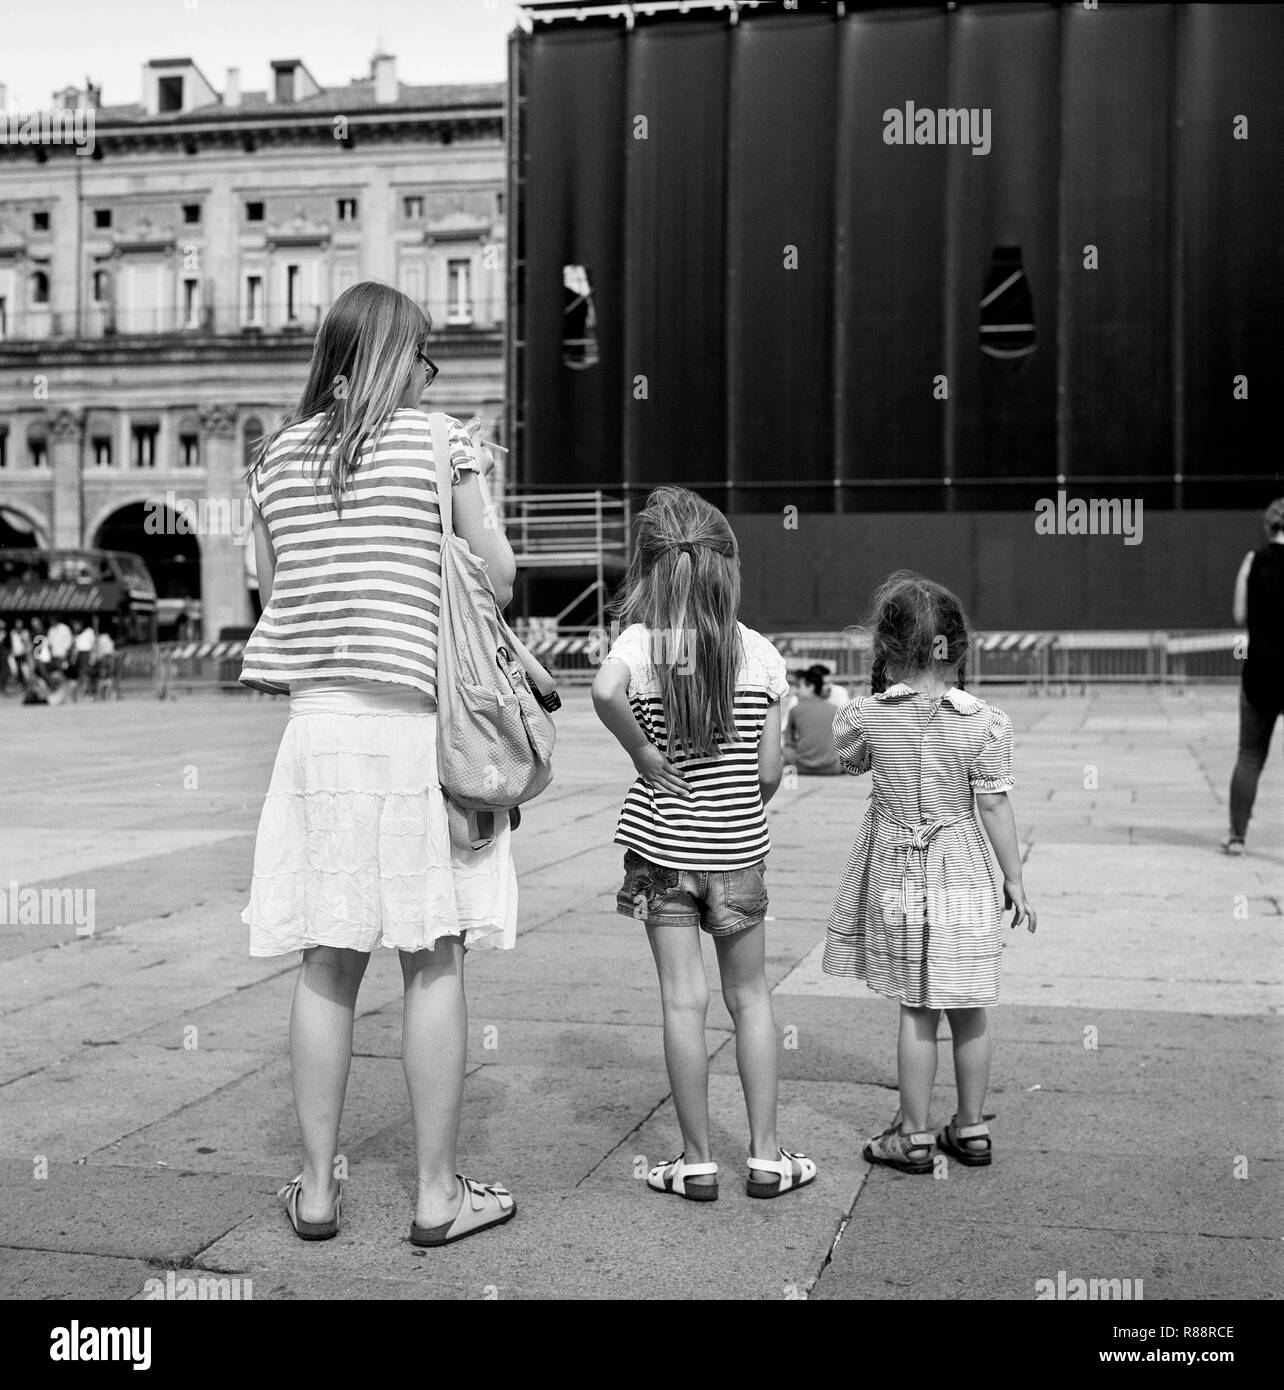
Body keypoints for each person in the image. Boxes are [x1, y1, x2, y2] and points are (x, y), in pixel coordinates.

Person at [238, 280, 519, 1247]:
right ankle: (437, 1197)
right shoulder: (443, 443)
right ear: (404, 359)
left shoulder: (271, 459)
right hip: (414, 727)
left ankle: (317, 1191)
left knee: (327, 958)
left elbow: (274, 594)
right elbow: (502, 574)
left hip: (316, 732)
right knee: (432, 956)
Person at [592, 486, 817, 1202]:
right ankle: (764, 1156)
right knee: (749, 998)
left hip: (662, 856)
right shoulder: (762, 654)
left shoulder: (640, 644)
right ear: (730, 568)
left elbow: (602, 691)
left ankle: (693, 1161)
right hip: (738, 854)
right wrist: (742, 812)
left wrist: (644, 757)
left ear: (649, 569)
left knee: (681, 1003)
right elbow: (772, 772)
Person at [824, 571, 1036, 1174]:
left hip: (897, 876)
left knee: (917, 1009)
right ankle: (970, 1130)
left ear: (887, 648)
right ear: (957, 648)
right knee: (970, 1006)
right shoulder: (986, 721)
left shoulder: (866, 715)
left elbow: (848, 762)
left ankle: (912, 1136)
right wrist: (1014, 880)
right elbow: (993, 801)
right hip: (966, 874)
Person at [1224, 498, 1284, 854]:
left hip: (1260, 670)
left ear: (1269, 525)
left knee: (1249, 756)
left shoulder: (1253, 560)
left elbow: (1238, 614)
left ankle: (1236, 836)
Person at [783, 666, 844, 775]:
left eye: (799, 687)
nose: (796, 691)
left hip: (800, 767)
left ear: (810, 687)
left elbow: (788, 743)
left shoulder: (795, 709)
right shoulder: (835, 709)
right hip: (832, 768)